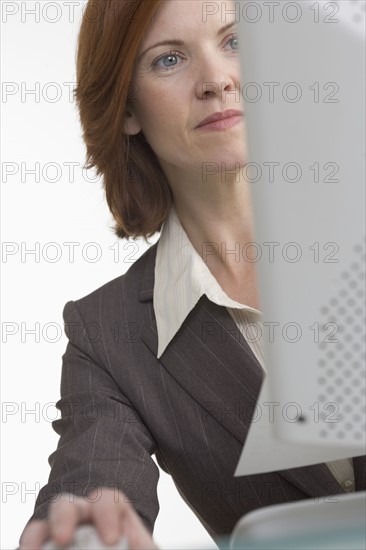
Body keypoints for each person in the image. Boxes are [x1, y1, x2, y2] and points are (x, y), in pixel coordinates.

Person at [19, 0, 366, 549]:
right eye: (168, 60)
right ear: (127, 108)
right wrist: (89, 526)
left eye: (236, 43)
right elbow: (93, 483)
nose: (217, 81)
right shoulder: (106, 335)